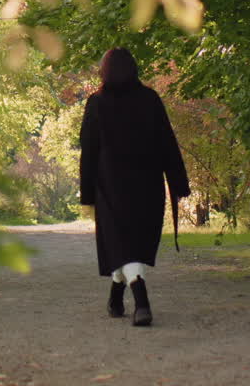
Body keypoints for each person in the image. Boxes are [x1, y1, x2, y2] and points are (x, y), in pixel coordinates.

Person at [78, 47, 191, 327]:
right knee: (129, 247)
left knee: (122, 247)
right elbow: (167, 143)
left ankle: (140, 301)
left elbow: (88, 152)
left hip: (111, 187)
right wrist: (178, 182)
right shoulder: (149, 99)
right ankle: (118, 297)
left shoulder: (97, 103)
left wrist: (88, 193)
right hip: (147, 187)